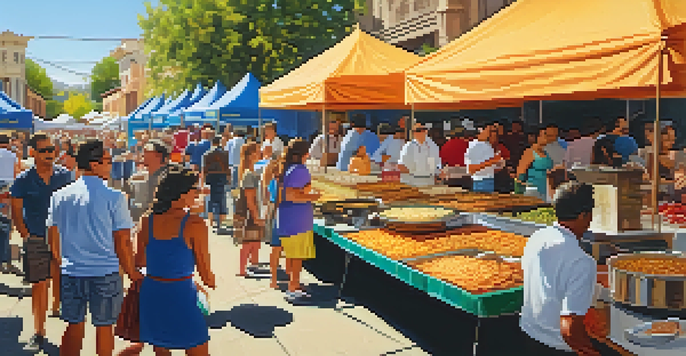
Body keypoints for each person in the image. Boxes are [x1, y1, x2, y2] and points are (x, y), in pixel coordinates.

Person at [47, 140, 141, 356]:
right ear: (94, 164)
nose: (111, 165)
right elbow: (123, 241)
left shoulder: (59, 196)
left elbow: (53, 237)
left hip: (72, 271)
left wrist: (63, 262)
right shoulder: (115, 197)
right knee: (104, 327)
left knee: (73, 325)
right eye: (108, 161)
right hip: (105, 272)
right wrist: (131, 272)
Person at [520, 181, 608, 356]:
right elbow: (569, 327)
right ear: (584, 215)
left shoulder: (537, 237)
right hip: (556, 346)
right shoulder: (581, 261)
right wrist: (589, 351)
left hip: (528, 334)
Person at [137, 166, 215, 355]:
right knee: (197, 348)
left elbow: (139, 262)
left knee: (161, 348)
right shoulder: (195, 224)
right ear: (181, 193)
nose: (197, 193)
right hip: (181, 295)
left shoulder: (147, 220)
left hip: (153, 293)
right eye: (194, 189)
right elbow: (207, 277)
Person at [10, 133, 75, 351]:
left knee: (63, 280)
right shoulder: (23, 180)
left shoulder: (65, 176)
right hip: (37, 237)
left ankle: (59, 309)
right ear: (33, 153)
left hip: (64, 237)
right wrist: (25, 235)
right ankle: (39, 331)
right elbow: (16, 211)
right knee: (39, 285)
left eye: (52, 149)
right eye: (44, 150)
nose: (50, 154)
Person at [279, 139, 321, 302]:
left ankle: (293, 283)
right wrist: (313, 196)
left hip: (288, 217)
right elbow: (291, 195)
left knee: (292, 254)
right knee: (296, 255)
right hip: (297, 218)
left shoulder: (288, 168)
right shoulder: (300, 170)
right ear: (305, 153)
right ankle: (293, 287)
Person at [235, 142, 264, 277]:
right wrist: (256, 216)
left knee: (254, 241)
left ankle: (253, 264)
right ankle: (242, 269)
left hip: (249, 211)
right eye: (258, 150)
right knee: (248, 242)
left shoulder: (249, 172)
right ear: (251, 155)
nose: (260, 152)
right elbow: (250, 198)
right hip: (248, 213)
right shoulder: (249, 174)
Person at [125, 140, 170, 223]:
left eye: (147, 151)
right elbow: (126, 201)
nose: (143, 154)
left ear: (159, 156)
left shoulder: (171, 177)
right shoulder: (136, 178)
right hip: (140, 224)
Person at [0, 134, 20, 275]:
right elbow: (17, 172)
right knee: (5, 223)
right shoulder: (12, 155)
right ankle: (5, 260)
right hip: (7, 188)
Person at [465, 122, 504, 193]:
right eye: (491, 131)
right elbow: (471, 169)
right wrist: (492, 161)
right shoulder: (474, 146)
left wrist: (497, 166)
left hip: (490, 180)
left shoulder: (488, 146)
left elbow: (491, 167)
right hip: (480, 182)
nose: (493, 134)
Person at [517, 126, 554, 200]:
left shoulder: (546, 153)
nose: (547, 137)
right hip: (533, 191)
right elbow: (520, 173)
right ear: (537, 137)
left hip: (547, 190)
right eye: (544, 134)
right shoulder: (529, 152)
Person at [203, 136, 231, 230]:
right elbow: (227, 167)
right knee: (221, 197)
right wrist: (229, 178)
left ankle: (211, 220)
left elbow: (204, 168)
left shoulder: (207, 154)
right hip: (221, 175)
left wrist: (203, 179)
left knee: (211, 198)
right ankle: (221, 220)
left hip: (210, 176)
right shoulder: (224, 153)